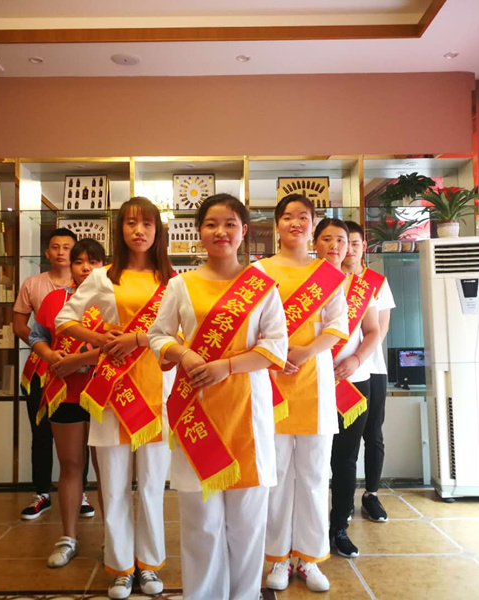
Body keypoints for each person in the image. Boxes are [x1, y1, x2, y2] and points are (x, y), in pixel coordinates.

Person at [148, 194, 288, 600]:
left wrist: (226, 366)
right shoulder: (181, 285)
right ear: (199, 231)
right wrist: (184, 353)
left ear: (244, 231)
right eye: (211, 224)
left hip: (248, 414)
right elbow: (158, 335)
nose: (220, 232)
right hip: (196, 412)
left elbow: (276, 347)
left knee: (247, 524)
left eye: (230, 224)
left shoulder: (262, 288)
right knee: (201, 523)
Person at [55, 197, 174, 600]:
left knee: (153, 486)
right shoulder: (103, 277)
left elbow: (182, 332)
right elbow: (64, 319)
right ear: (119, 229)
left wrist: (138, 339)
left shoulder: (172, 281)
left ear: (158, 231)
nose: (139, 231)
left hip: (156, 393)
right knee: (114, 485)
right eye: (130, 223)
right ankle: (121, 567)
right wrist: (99, 339)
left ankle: (149, 564)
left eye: (147, 224)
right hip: (113, 392)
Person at [255, 194, 349, 594]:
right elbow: (248, 325)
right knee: (275, 476)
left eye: (304, 217)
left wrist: (303, 352)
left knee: (313, 475)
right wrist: (277, 354)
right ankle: (278, 557)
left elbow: (337, 325)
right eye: (288, 217)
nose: (296, 223)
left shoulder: (327, 274)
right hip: (269, 380)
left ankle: (308, 558)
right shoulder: (258, 272)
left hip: (314, 381)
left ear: (313, 225)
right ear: (276, 224)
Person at [28, 238, 107, 567]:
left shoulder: (115, 299)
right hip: (64, 391)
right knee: (71, 464)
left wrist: (79, 360)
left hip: (105, 393)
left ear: (104, 265)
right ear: (69, 266)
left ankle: (113, 538)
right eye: (79, 262)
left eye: (93, 261)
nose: (86, 268)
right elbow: (37, 337)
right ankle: (68, 537)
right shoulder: (54, 299)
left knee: (107, 470)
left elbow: (121, 344)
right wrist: (50, 356)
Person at [13, 227, 93, 521]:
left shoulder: (98, 290)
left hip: (85, 374)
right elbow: (24, 328)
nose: (62, 253)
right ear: (47, 252)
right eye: (56, 247)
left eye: (68, 248)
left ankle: (80, 494)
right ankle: (42, 493)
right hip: (43, 370)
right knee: (42, 433)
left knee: (84, 438)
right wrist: (48, 351)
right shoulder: (35, 286)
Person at [313, 218, 381, 558]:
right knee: (311, 461)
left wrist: (355, 360)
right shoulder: (303, 286)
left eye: (341, 240)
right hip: (310, 383)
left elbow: (373, 331)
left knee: (345, 460)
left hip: (353, 384)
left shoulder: (360, 287)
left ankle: (338, 525)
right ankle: (307, 531)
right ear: (315, 243)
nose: (335, 246)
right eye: (326, 239)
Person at [344, 220, 394, 522]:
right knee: (344, 440)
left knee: (372, 433)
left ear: (364, 247)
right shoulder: (328, 280)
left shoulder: (376, 282)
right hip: (340, 371)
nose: (349, 249)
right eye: (343, 242)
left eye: (355, 243)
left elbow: (380, 330)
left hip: (371, 369)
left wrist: (358, 359)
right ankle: (344, 500)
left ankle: (371, 494)